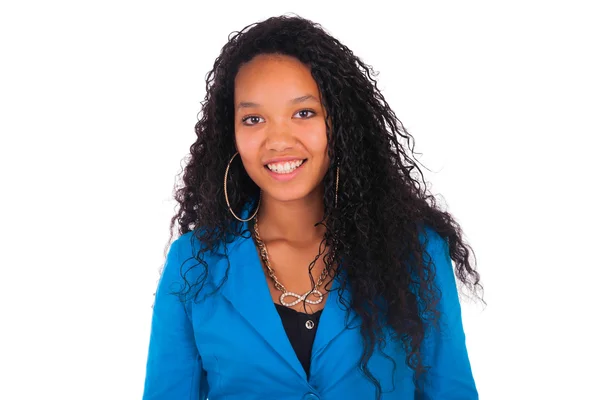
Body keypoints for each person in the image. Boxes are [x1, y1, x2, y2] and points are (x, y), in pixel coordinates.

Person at [142, 14, 482, 400]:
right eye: (253, 119)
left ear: (339, 123)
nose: (278, 140)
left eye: (304, 113)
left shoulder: (416, 250)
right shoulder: (193, 264)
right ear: (230, 134)